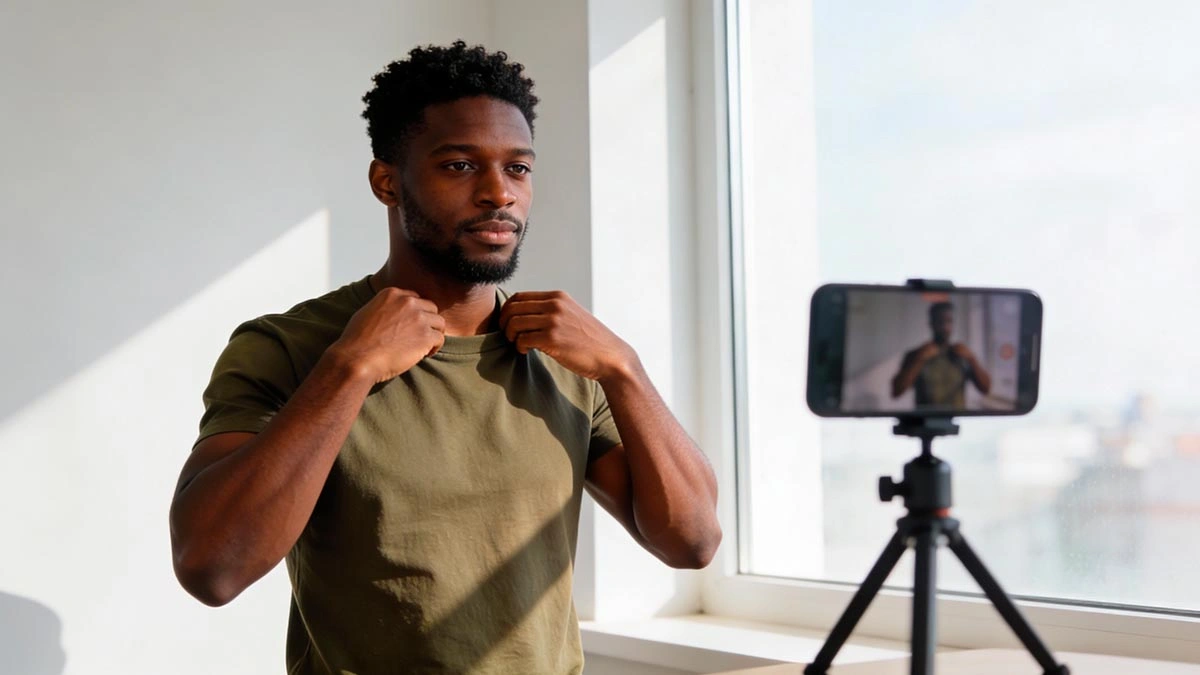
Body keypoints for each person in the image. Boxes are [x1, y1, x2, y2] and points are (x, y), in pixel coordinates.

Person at [168, 41, 721, 675]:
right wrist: (350, 368)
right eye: (460, 166)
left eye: (517, 168)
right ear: (387, 183)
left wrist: (625, 369)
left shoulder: (570, 356)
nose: (498, 194)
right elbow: (213, 568)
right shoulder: (288, 346)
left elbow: (693, 541)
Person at [890, 301, 992, 409]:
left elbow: (986, 389)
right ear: (931, 324)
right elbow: (896, 392)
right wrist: (919, 360)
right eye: (940, 321)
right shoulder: (916, 355)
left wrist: (972, 359)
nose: (945, 327)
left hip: (956, 420)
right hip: (924, 422)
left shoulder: (963, 355)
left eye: (949, 321)